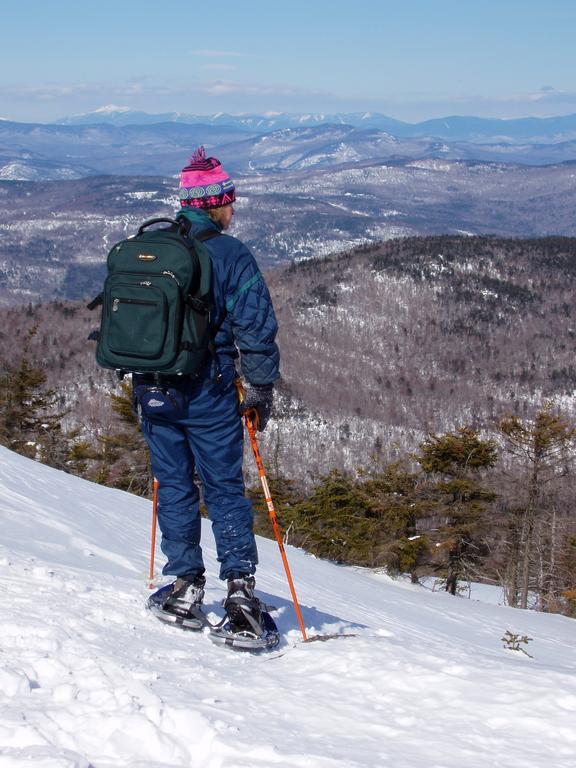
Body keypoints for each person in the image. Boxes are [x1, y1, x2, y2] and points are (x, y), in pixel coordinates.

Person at [137, 147, 280, 636]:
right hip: (209, 389)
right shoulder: (230, 253)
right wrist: (260, 388)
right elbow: (256, 327)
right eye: (229, 201)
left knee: (174, 485)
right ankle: (239, 592)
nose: (232, 210)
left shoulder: (153, 247)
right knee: (221, 487)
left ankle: (185, 587)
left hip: (154, 390)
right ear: (215, 203)